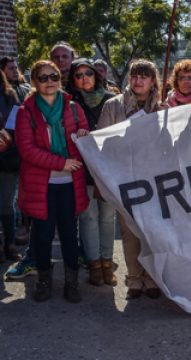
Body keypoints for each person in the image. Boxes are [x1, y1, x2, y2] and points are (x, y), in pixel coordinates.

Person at [15, 60, 90, 303]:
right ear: (34, 82)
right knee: (43, 234)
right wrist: (61, 163)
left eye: (54, 76)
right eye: (43, 77)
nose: (50, 82)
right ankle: (44, 281)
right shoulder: (25, 112)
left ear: (60, 79)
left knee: (70, 233)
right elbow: (26, 150)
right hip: (42, 184)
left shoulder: (75, 109)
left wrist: (83, 138)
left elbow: (86, 144)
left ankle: (72, 284)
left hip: (70, 183)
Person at [97, 59, 162, 299]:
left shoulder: (162, 107)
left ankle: (151, 277)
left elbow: (170, 144)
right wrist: (127, 132)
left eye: (144, 76)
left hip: (154, 177)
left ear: (153, 80)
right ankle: (134, 278)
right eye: (134, 76)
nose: (138, 80)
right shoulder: (112, 106)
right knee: (129, 230)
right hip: (124, 176)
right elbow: (102, 140)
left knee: (151, 230)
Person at [65, 58, 117, 287]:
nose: (84, 77)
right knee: (88, 218)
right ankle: (94, 266)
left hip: (107, 170)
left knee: (107, 218)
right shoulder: (68, 103)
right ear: (72, 79)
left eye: (88, 73)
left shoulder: (111, 101)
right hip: (81, 170)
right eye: (78, 74)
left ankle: (108, 265)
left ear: (97, 75)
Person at [0, 70, 21, 263]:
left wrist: (6, 137)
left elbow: (18, 122)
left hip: (7, 157)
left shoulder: (10, 95)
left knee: (6, 203)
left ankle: (10, 244)